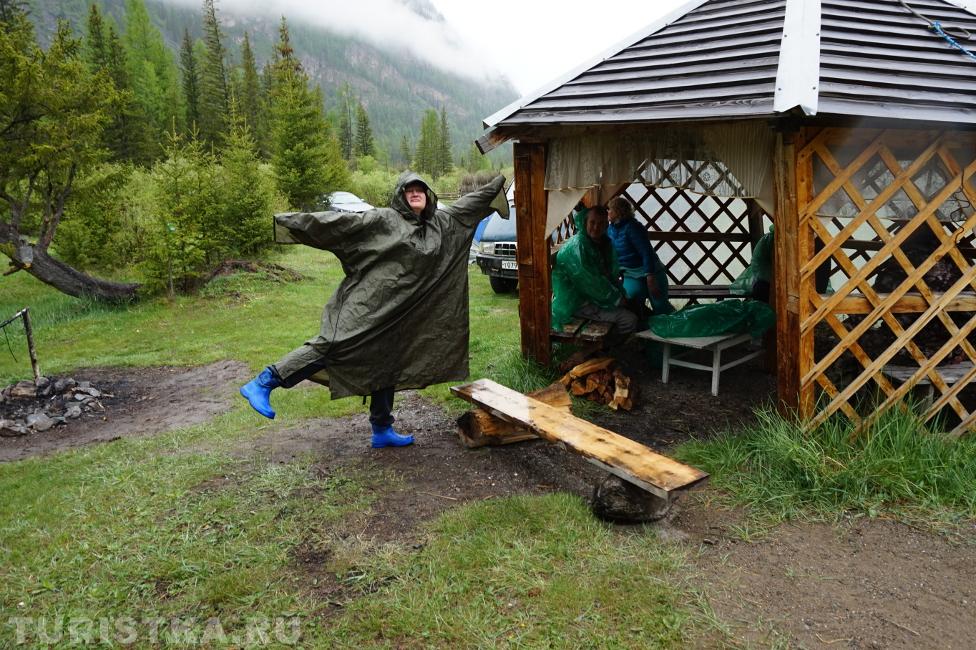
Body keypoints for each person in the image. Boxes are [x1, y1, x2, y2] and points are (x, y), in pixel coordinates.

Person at [240, 171, 507, 448]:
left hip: (400, 315)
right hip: (367, 305)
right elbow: (341, 224)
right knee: (333, 344)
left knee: (387, 363)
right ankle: (264, 382)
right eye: (408, 190)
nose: (415, 193)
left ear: (428, 195)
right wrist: (293, 223)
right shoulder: (383, 220)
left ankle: (381, 429)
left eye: (420, 189)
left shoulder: (442, 223)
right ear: (400, 195)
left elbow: (471, 205)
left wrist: (498, 183)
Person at [551, 205, 638, 343]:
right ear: (585, 222)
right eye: (592, 222)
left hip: (589, 298)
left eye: (601, 223)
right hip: (578, 304)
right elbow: (592, 284)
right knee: (629, 319)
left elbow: (608, 275)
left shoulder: (596, 243)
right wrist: (618, 300)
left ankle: (609, 348)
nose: (596, 227)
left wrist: (621, 296)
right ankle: (612, 350)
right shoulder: (578, 247)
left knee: (634, 307)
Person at [607, 196, 674, 317]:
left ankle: (673, 330)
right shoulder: (610, 229)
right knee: (630, 299)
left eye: (610, 209)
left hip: (652, 273)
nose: (608, 212)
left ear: (617, 211)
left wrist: (650, 277)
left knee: (660, 306)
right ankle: (643, 329)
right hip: (630, 274)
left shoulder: (633, 227)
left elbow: (646, 252)